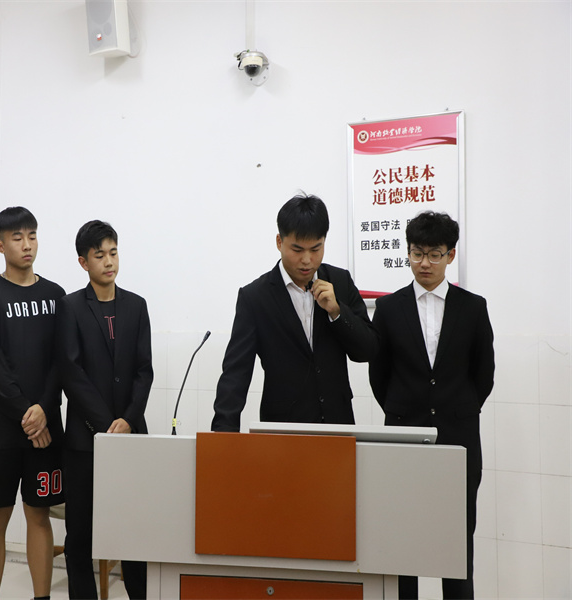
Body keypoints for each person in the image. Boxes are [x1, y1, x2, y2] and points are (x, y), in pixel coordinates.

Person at [369, 211, 494, 600]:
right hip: (404, 441)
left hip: (459, 440)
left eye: (434, 254)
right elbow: (379, 375)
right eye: (417, 253)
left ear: (450, 255)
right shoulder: (389, 309)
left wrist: (457, 407)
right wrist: (404, 411)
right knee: (404, 544)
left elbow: (484, 374)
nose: (425, 263)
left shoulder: (473, 308)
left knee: (456, 546)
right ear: (407, 253)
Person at [211, 193, 378, 431]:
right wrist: (222, 435)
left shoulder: (340, 281)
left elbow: (368, 350)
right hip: (282, 429)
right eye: (297, 249)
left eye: (316, 248)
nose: (307, 260)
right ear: (279, 242)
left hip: (337, 425)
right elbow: (236, 373)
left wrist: (337, 312)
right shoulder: (255, 298)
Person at [0, 207, 65, 600]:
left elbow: (62, 363)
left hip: (46, 429)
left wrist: (44, 410)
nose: (27, 245)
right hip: (1, 430)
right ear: (0, 245)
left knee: (39, 515)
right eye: (17, 237)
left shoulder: (56, 296)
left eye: (32, 235)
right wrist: (29, 416)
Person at [57, 220, 152, 600]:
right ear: (84, 262)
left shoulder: (137, 306)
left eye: (113, 253)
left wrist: (128, 419)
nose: (109, 262)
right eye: (100, 255)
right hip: (85, 440)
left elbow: (144, 371)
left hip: (131, 438)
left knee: (134, 529)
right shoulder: (70, 307)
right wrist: (106, 425)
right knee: (80, 533)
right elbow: (71, 372)